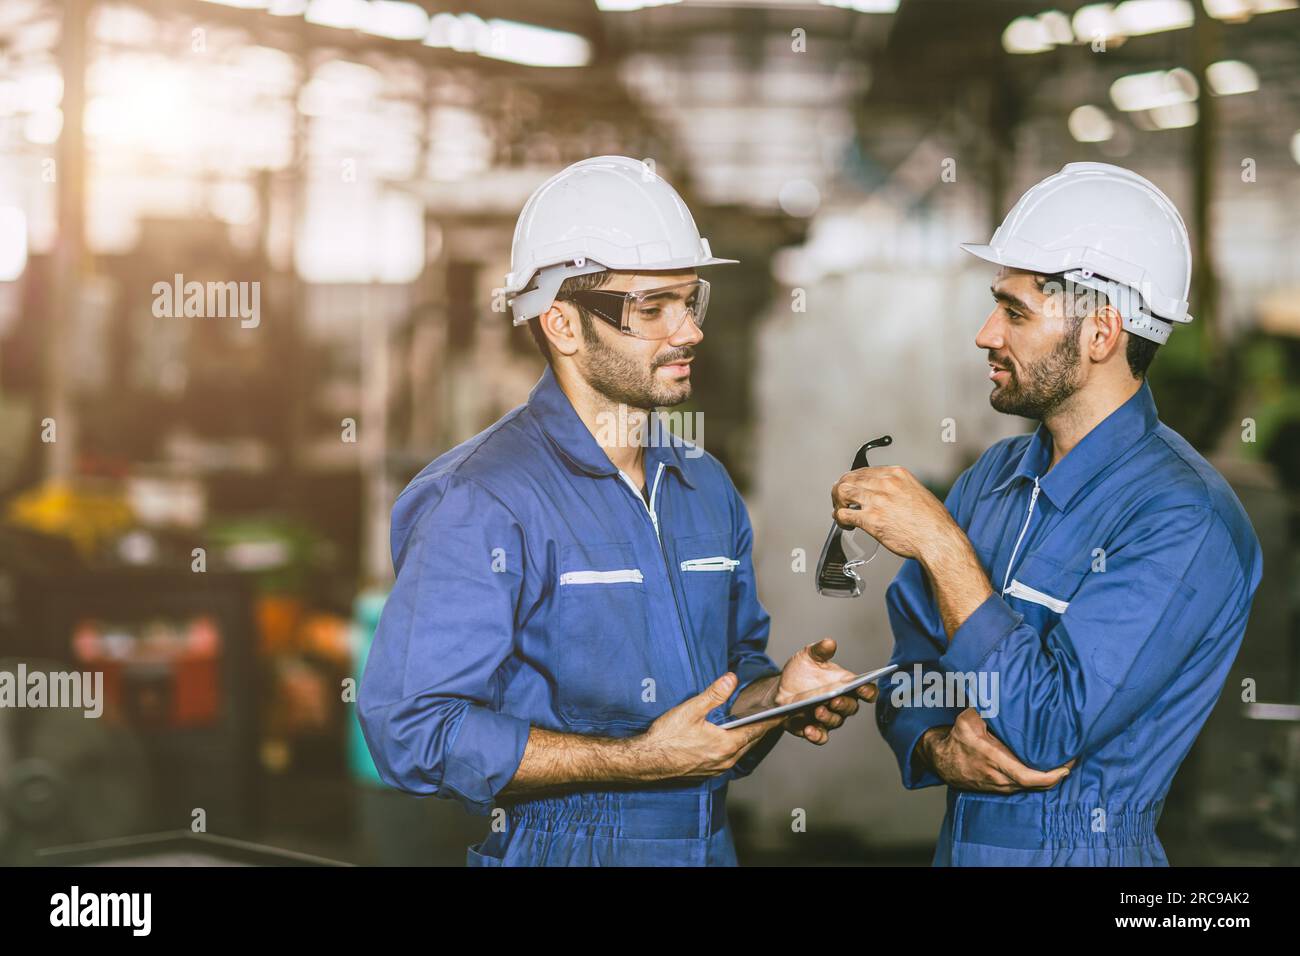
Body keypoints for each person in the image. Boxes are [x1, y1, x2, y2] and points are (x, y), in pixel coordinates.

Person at [359, 156, 872, 867]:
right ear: (563, 325)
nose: (688, 331)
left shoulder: (704, 485)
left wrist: (775, 697)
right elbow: (411, 731)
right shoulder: (481, 500)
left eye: (690, 302)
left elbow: (722, 691)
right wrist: (639, 762)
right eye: (652, 308)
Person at [831, 162, 1262, 865]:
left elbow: (1050, 727)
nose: (985, 334)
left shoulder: (1183, 520)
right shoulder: (992, 481)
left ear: (1100, 334)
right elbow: (910, 668)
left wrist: (942, 546)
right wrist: (938, 748)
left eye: (1015, 311)